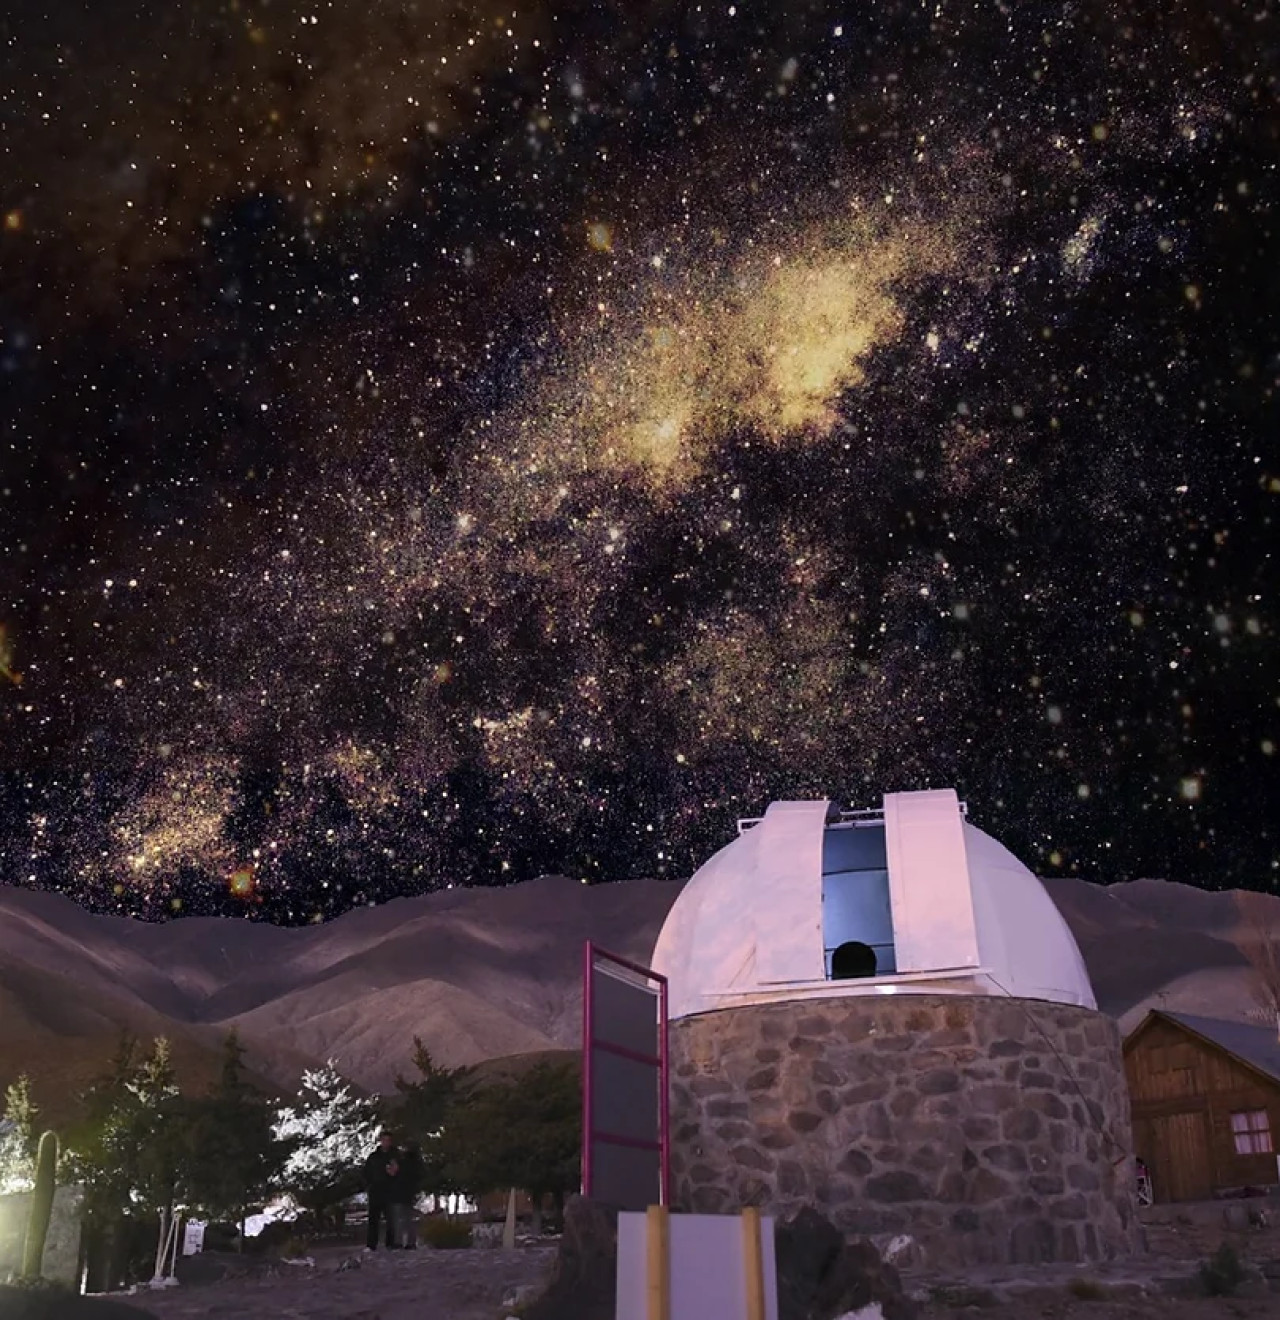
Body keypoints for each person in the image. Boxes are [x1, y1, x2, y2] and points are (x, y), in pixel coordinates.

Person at [363, 1131, 403, 1251]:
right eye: (384, 1140)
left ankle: (390, 1243)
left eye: (388, 1140)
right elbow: (366, 1172)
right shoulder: (373, 1157)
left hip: (390, 1191)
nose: (386, 1142)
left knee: (391, 1218)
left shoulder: (395, 1156)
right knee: (373, 1219)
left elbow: (399, 1173)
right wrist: (368, 1185)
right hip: (375, 1190)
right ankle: (371, 1244)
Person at [394, 1139, 425, 1249]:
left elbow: (396, 1174)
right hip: (410, 1192)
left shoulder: (403, 1161)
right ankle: (410, 1242)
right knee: (408, 1218)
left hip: (401, 1191)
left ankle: (399, 1242)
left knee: (400, 1217)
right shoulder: (416, 1162)